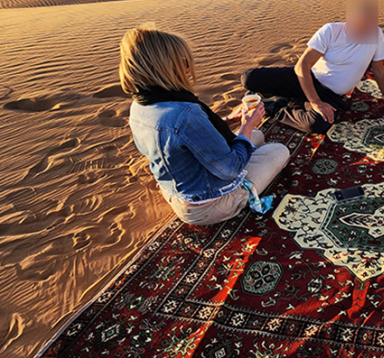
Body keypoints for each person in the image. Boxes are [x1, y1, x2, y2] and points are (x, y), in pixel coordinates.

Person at [121, 24, 291, 226]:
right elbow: (230, 169)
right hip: (209, 206)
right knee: (278, 150)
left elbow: (183, 139)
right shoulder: (185, 114)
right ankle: (238, 199)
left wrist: (228, 121)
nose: (188, 67)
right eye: (183, 62)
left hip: (173, 190)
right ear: (167, 68)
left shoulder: (140, 104)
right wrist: (247, 126)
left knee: (257, 137)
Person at [239, 0, 384, 134]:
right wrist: (315, 102)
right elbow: (302, 66)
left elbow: (379, 70)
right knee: (248, 78)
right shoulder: (331, 31)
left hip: (331, 95)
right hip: (307, 79)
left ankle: (273, 107)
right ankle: (289, 95)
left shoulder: (375, 34)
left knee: (317, 124)